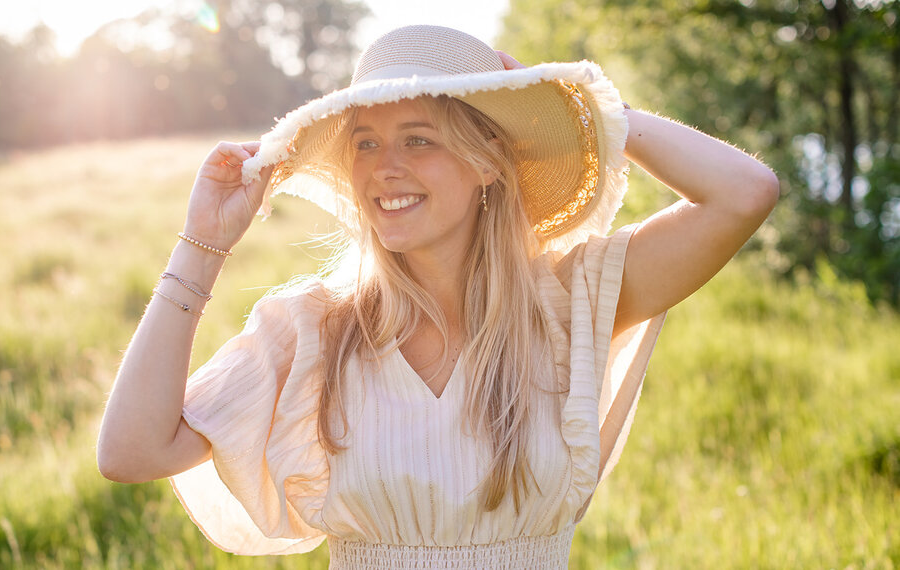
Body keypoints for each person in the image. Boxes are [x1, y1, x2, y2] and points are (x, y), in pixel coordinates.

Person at [97, 25, 779, 569]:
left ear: (486, 162)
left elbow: (745, 193)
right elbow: (131, 451)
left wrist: (593, 112)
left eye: (417, 139)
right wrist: (202, 243)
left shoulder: (568, 302)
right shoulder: (315, 329)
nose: (384, 167)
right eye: (365, 142)